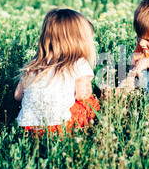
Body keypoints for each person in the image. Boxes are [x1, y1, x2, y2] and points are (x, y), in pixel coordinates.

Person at [14, 8, 100, 137]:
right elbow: (83, 95)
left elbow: (17, 96)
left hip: (27, 127)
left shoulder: (34, 64)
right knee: (90, 102)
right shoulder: (79, 64)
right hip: (60, 127)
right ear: (80, 40)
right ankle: (78, 134)